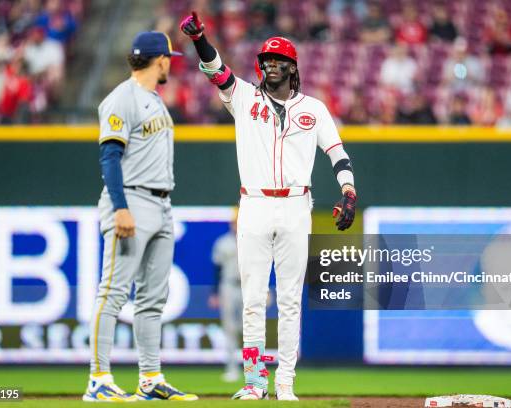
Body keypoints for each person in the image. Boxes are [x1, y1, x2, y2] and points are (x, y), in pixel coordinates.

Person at [181, 11, 357, 401]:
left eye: (279, 62)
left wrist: (348, 192)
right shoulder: (243, 97)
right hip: (255, 204)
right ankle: (254, 382)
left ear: (293, 68)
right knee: (253, 299)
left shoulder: (314, 108)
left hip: (297, 206)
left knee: (291, 300)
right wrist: (198, 39)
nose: (271, 66)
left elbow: (337, 152)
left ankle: (286, 383)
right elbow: (216, 69)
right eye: (266, 61)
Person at [83, 31, 198, 402]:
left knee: (152, 299)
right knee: (114, 292)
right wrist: (120, 207)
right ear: (159, 59)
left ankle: (150, 378)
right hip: (131, 200)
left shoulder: (153, 100)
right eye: (168, 58)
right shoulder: (122, 98)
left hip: (162, 203)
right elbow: (109, 157)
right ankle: (98, 378)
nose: (171, 63)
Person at [209, 215, 242, 382]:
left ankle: (255, 368)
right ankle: (232, 369)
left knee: (251, 328)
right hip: (228, 285)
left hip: (248, 286)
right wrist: (214, 293)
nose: (236, 225)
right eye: (234, 222)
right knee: (230, 329)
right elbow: (216, 269)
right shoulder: (223, 242)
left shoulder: (253, 240)